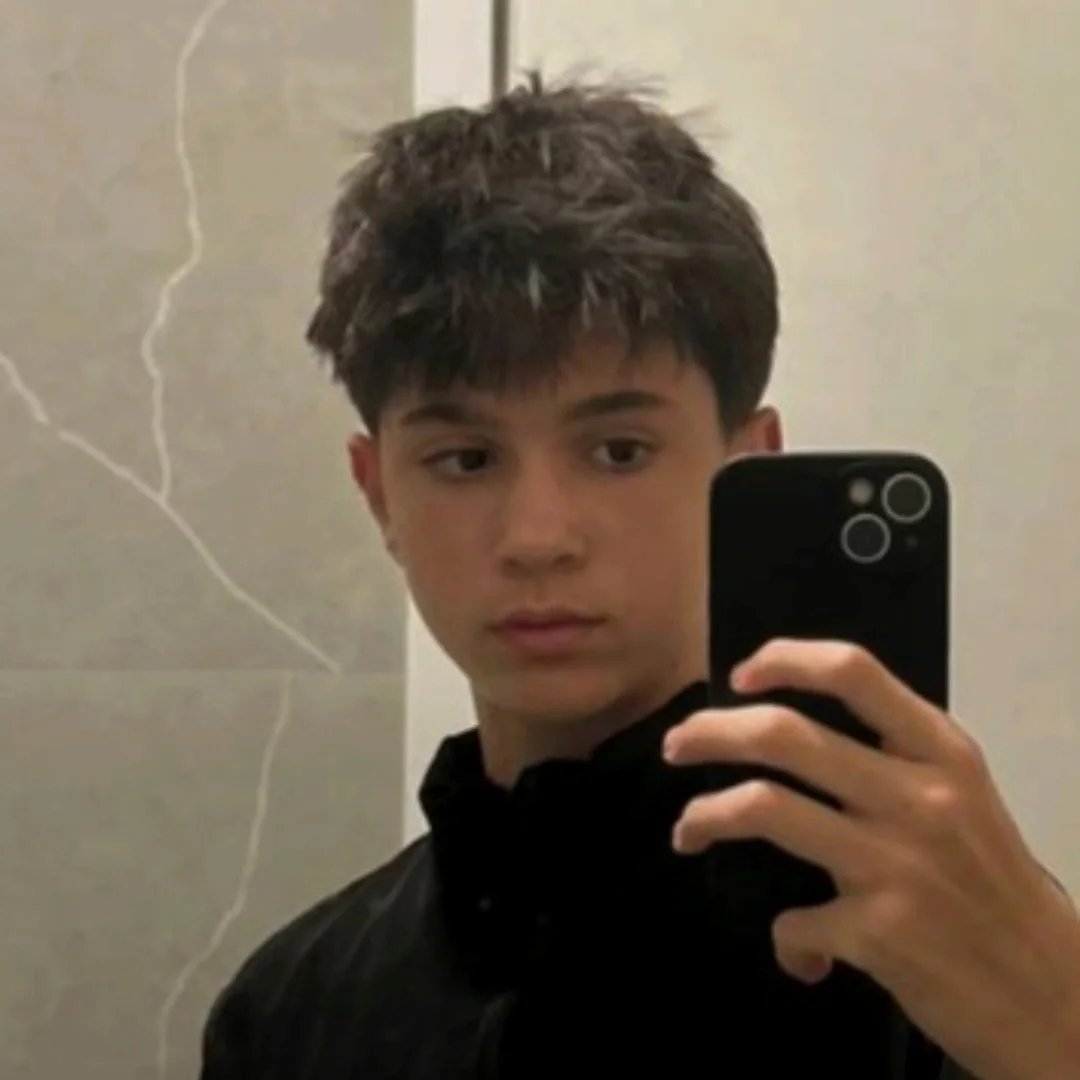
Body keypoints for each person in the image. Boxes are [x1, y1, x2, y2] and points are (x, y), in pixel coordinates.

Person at [199, 71, 1080, 1079]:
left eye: (619, 450)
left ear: (745, 470)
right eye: (466, 459)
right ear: (379, 493)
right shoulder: (293, 1009)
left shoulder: (925, 952)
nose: (538, 537)